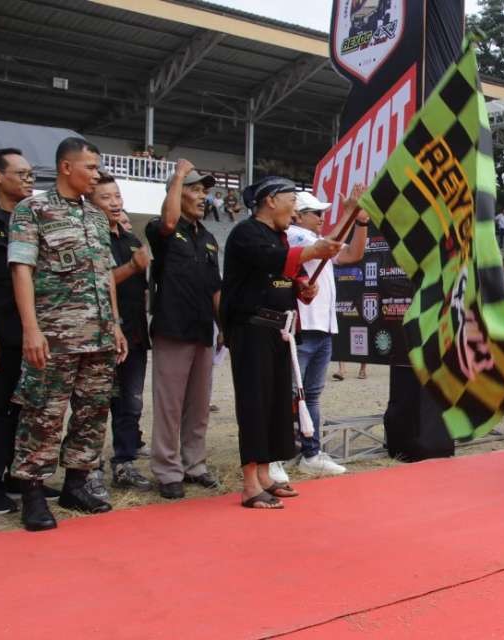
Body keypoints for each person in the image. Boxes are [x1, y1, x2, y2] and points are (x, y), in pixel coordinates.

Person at [7, 137, 128, 531]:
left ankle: (76, 484)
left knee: (93, 412)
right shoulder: (33, 210)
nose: (96, 175)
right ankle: (33, 493)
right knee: (43, 413)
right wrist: (31, 329)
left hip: (98, 334)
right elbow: (21, 269)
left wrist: (115, 323)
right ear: (66, 167)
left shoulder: (95, 216)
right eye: (90, 168)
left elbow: (105, 274)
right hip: (54, 335)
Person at [221, 176, 343, 509]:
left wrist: (301, 287)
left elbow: (284, 276)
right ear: (271, 200)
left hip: (279, 331)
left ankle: (264, 475)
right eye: (292, 200)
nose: (295, 209)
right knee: (254, 404)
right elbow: (271, 262)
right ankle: (249, 484)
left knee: (276, 405)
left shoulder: (278, 237)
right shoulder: (246, 233)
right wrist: (315, 250)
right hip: (251, 329)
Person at [145, 159, 221, 500]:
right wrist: (177, 176)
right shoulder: (162, 230)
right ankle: (167, 470)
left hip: (203, 328)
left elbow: (215, 287)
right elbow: (170, 219)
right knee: (169, 405)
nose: (203, 196)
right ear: (177, 193)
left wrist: (225, 326)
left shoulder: (207, 238)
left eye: (204, 190)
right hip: (172, 327)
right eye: (195, 189)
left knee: (198, 405)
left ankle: (195, 465)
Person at [284, 191, 367, 476]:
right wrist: (349, 213)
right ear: (298, 214)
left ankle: (311, 452)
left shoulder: (314, 239)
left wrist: (361, 223)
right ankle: (280, 453)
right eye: (316, 213)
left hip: (323, 327)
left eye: (322, 213)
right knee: (290, 393)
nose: (321, 217)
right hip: (301, 327)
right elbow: (328, 247)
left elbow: (354, 254)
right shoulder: (294, 235)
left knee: (313, 395)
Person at [0, 147, 50, 515]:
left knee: (26, 410)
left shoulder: (35, 219)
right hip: (0, 333)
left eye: (31, 174)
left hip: (35, 334)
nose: (29, 179)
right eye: (22, 173)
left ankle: (17, 475)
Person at [89, 171, 153, 494]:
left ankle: (124, 464)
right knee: (95, 404)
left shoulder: (130, 240)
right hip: (100, 337)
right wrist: (132, 267)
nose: (114, 203)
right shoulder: (90, 238)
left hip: (135, 336)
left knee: (131, 404)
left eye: (117, 196)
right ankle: (89, 468)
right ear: (90, 201)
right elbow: (96, 282)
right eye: (106, 197)